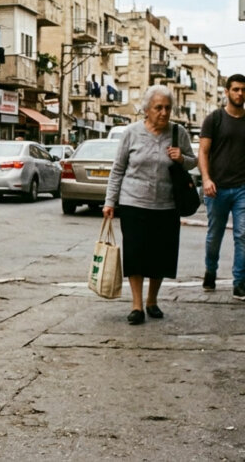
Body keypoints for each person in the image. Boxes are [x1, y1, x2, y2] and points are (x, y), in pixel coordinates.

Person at [104, 85, 195, 325]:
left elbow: (193, 162)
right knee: (135, 255)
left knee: (160, 256)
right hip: (133, 203)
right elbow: (118, 169)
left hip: (167, 205)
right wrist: (109, 201)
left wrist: (182, 158)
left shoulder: (178, 133)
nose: (164, 113)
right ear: (147, 110)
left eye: (167, 108)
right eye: (158, 108)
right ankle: (136, 305)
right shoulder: (131, 133)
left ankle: (152, 300)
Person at [198, 74, 245, 302]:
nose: (240, 93)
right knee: (214, 235)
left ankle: (239, 284)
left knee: (242, 235)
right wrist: (206, 179)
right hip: (216, 188)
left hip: (244, 188)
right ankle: (210, 271)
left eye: (244, 90)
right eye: (235, 89)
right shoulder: (214, 119)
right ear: (226, 92)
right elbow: (203, 152)